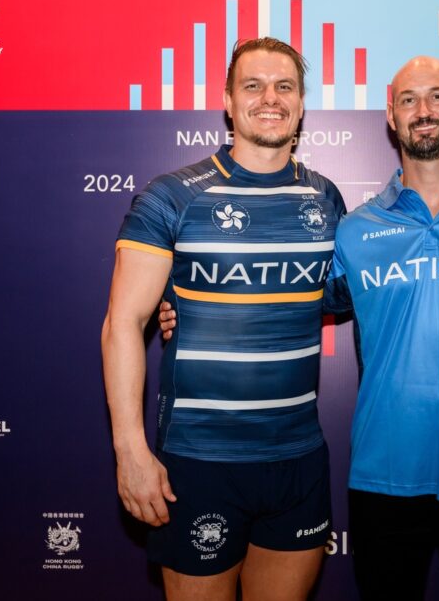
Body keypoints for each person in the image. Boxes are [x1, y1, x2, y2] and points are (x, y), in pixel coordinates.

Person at [161, 56, 439, 600]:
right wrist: (189, 306)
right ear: (390, 115)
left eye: (437, 96)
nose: (423, 110)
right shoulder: (355, 229)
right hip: (382, 478)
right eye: (408, 99)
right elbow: (289, 294)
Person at [101, 37, 344, 601]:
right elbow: (123, 324)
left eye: (284, 86)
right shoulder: (172, 196)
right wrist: (130, 451)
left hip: (299, 458)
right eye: (253, 86)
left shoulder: (326, 198)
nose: (270, 98)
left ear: (301, 103)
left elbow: (338, 295)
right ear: (229, 103)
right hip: (199, 461)